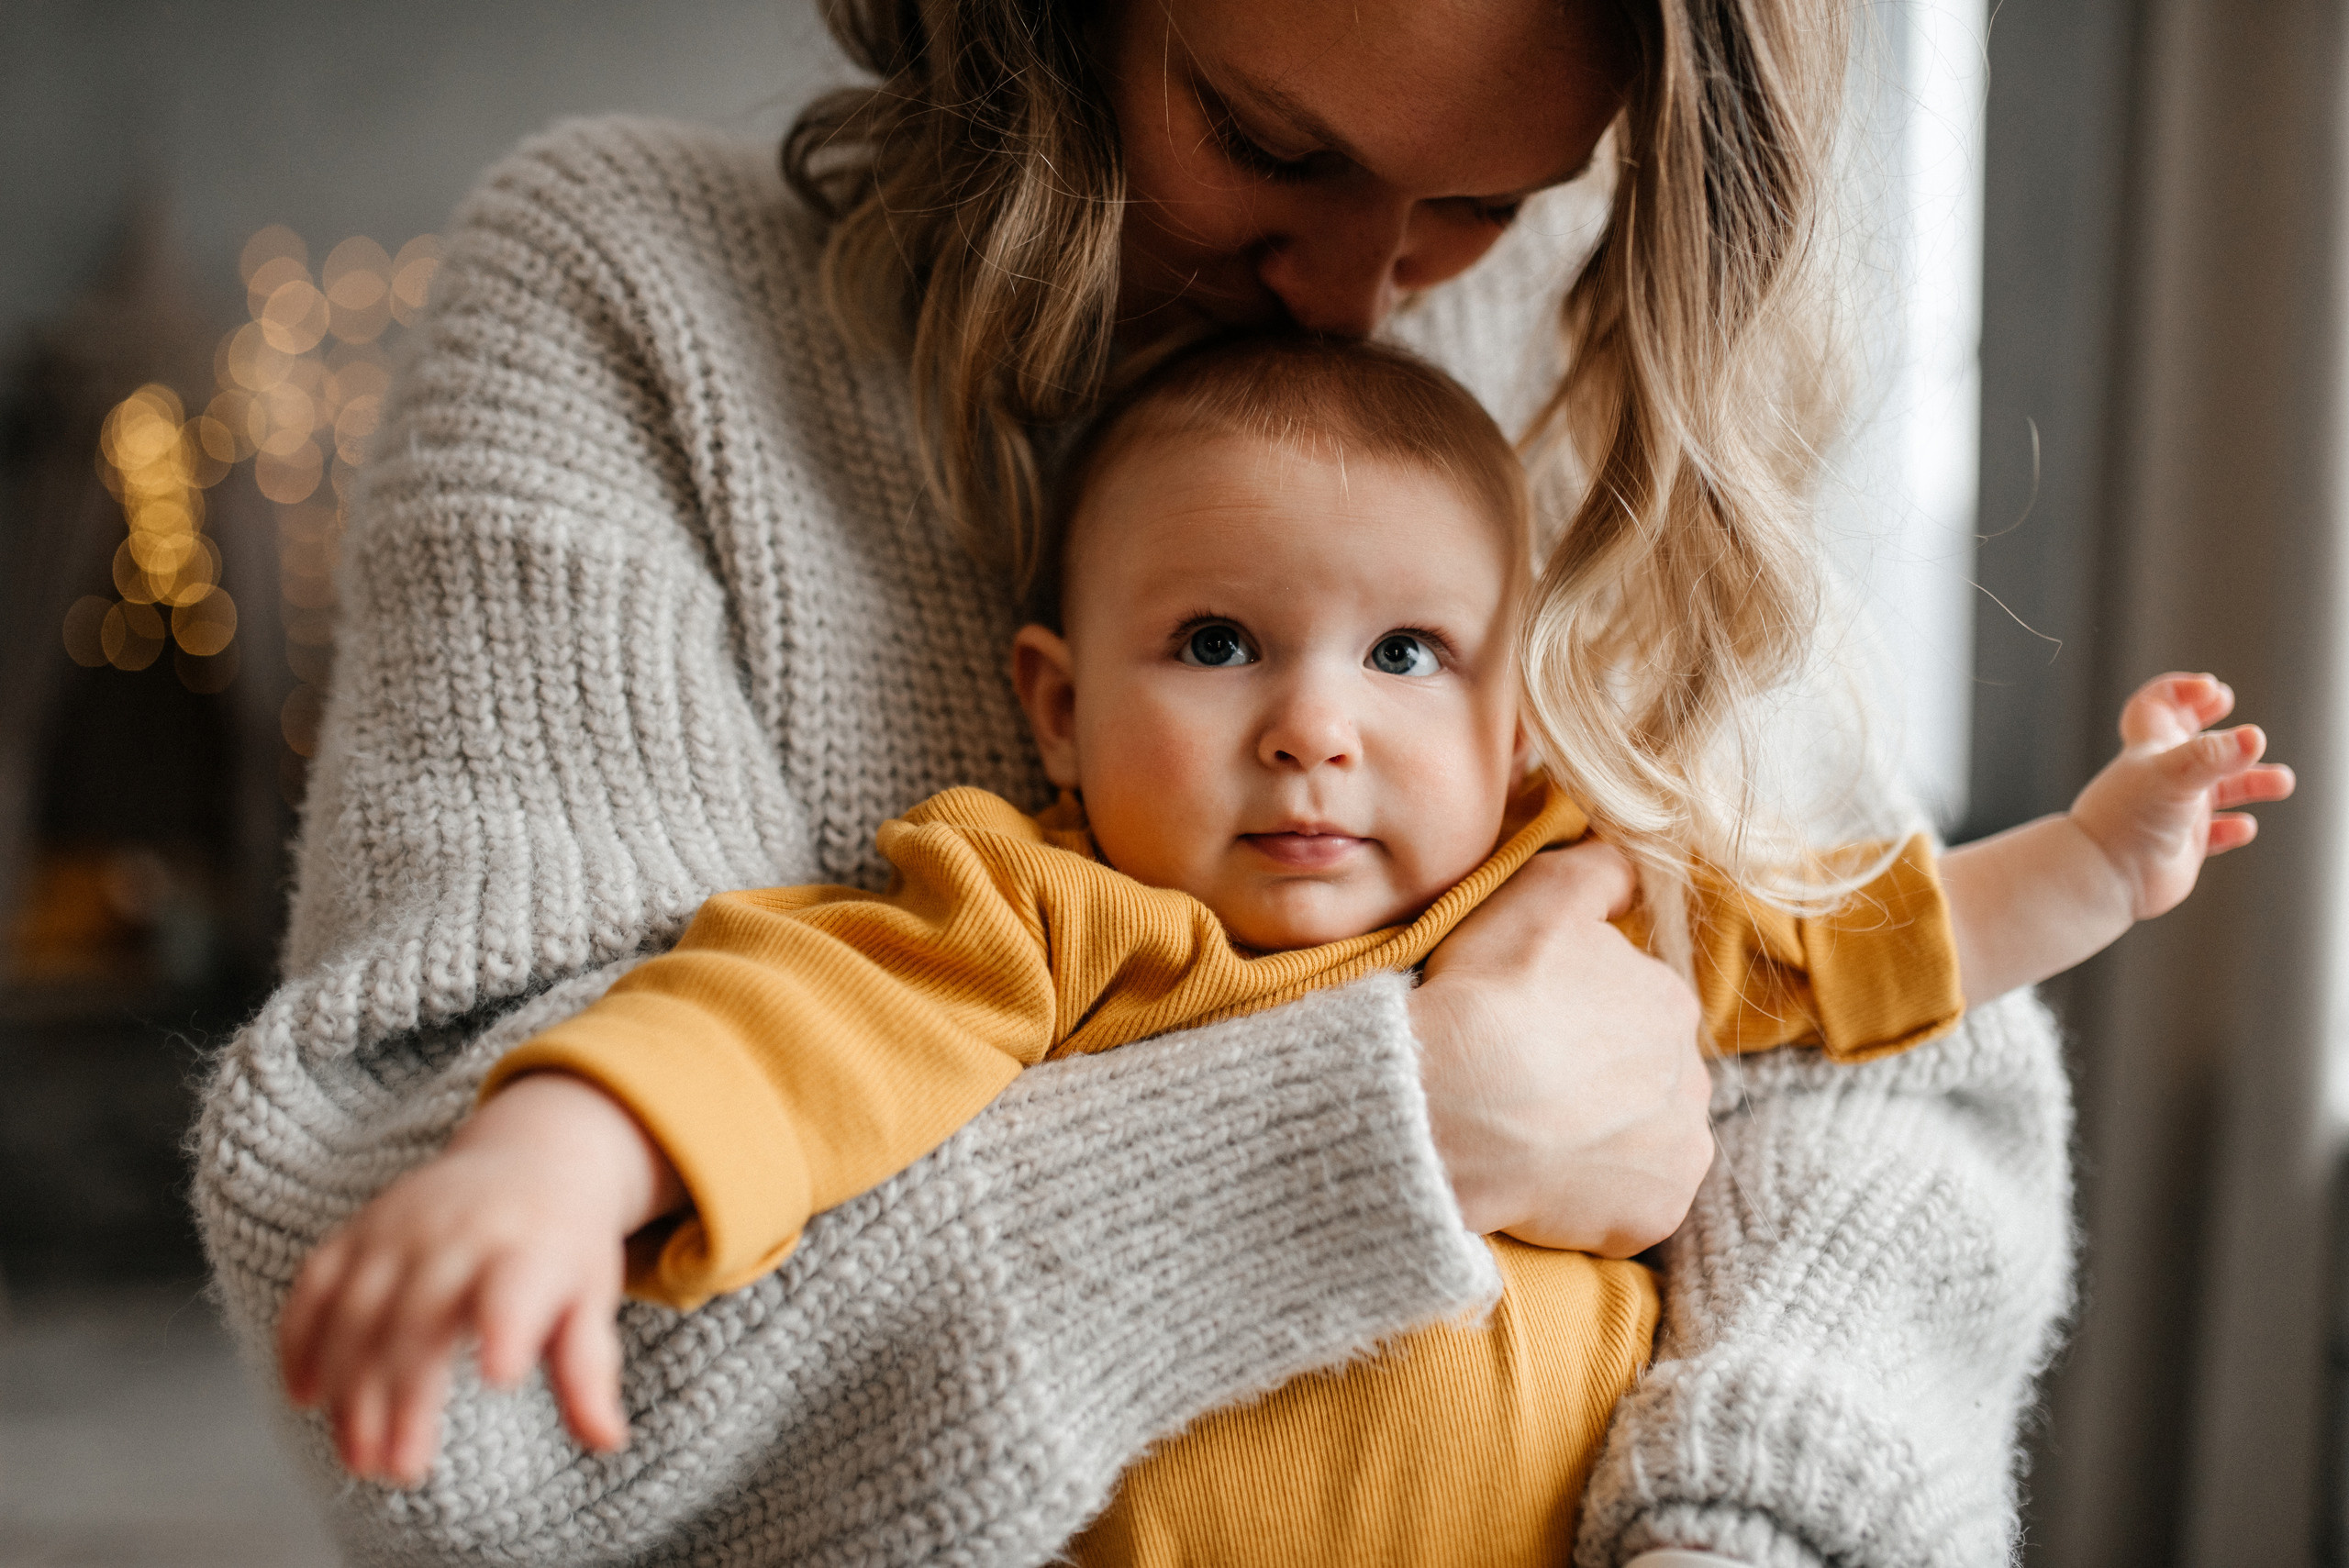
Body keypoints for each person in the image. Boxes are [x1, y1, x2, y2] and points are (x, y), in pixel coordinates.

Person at [199, 2, 2084, 1563]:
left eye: (1485, 199)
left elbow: (1879, 1063)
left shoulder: (1604, 344)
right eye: (1268, 143)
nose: (1353, 293)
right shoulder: (633, 306)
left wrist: (1742, 1527)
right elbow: (485, 1416)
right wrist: (1406, 1122)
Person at [269, 335, 2287, 1562]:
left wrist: (2098, 864)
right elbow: (783, 1023)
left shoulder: (1575, 890)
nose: (1314, 723)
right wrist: (559, 1156)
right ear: (1055, 708)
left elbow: (1868, 957)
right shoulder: (1050, 915)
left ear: (1508, 727)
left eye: (1403, 655)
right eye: (1216, 643)